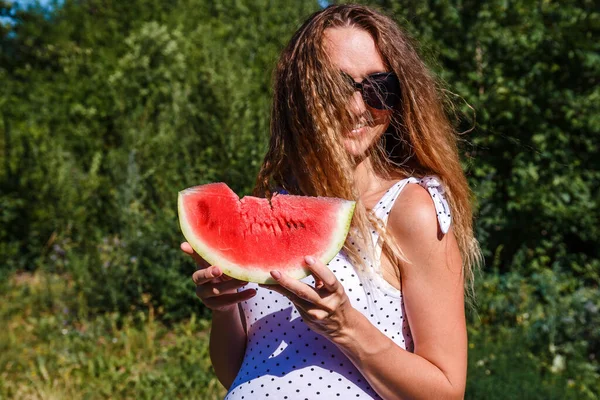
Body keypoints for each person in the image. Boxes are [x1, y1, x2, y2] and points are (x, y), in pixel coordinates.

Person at [181, 4, 481, 399]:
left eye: (378, 88)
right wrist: (223, 310)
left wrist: (346, 326)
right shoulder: (278, 202)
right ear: (299, 92)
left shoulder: (412, 208)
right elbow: (239, 369)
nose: (357, 107)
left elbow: (446, 391)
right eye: (336, 87)